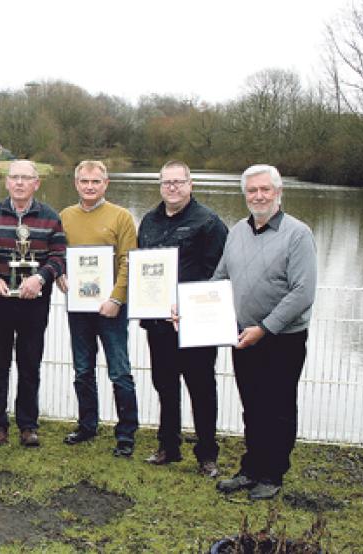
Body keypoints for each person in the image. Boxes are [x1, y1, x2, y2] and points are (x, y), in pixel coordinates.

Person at [210, 164, 316, 500]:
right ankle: (250, 469)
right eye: (252, 190)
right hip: (243, 336)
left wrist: (266, 328)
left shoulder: (298, 234)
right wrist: (189, 307)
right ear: (245, 195)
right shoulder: (237, 231)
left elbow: (302, 292)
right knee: (252, 405)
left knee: (278, 406)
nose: (258, 196)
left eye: (265, 190)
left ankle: (272, 474)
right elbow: (220, 278)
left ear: (278, 192)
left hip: (282, 338)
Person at [138, 161, 226, 476]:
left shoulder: (209, 223)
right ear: (160, 185)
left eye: (178, 182)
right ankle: (168, 446)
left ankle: (207, 454)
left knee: (201, 387)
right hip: (159, 323)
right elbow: (143, 269)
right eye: (166, 182)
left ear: (191, 184)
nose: (172, 187)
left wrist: (187, 304)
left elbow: (217, 274)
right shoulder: (148, 221)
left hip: (196, 323)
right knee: (164, 384)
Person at [0, 160, 66, 448]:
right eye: (14, 177)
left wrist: (40, 278)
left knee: (30, 364)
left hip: (34, 301)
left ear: (36, 183)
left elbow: (58, 257)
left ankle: (28, 425)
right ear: (7, 182)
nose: (19, 183)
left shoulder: (50, 217)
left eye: (25, 178)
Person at [58, 160, 139, 457]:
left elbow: (128, 261)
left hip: (112, 308)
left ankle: (127, 433)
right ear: (76, 183)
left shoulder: (121, 216)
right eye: (84, 181)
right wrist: (59, 276)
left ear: (106, 184)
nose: (89, 187)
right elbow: (58, 256)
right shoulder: (65, 216)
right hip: (78, 307)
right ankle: (87, 425)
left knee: (119, 371)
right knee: (82, 369)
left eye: (95, 182)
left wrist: (117, 298)